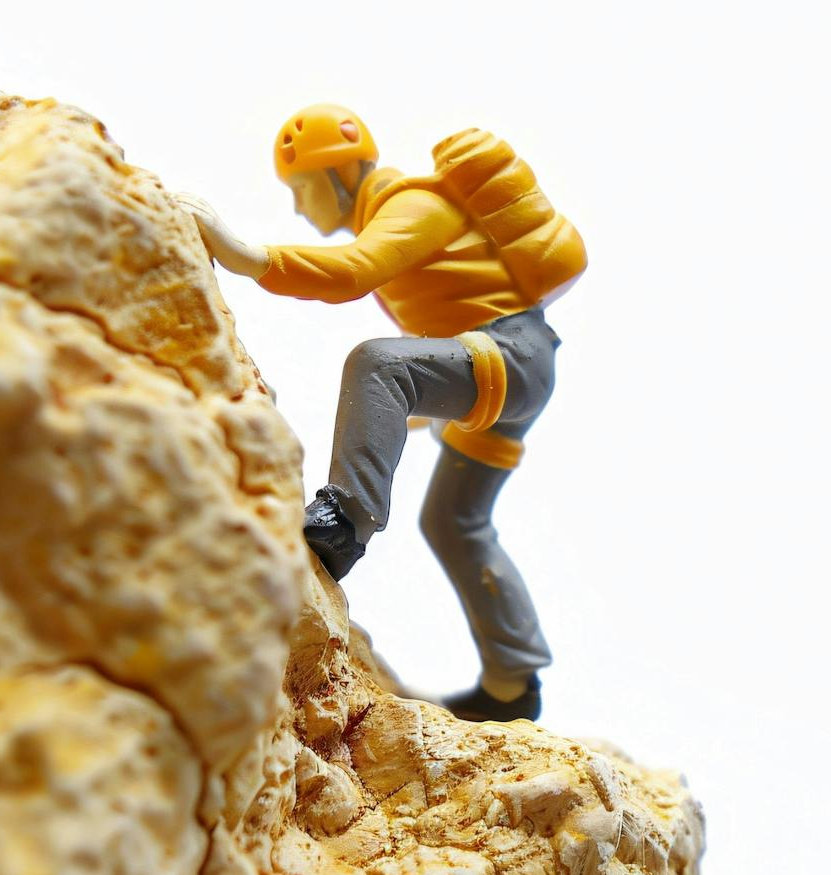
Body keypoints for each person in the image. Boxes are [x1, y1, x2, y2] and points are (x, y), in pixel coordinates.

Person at [177, 104, 586, 722]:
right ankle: (513, 683)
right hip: (513, 361)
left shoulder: (411, 202)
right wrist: (412, 411)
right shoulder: (398, 212)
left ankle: (344, 523)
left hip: (512, 353)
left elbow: (354, 273)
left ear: (336, 172)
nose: (298, 207)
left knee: (378, 364)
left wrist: (245, 254)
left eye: (301, 188)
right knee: (454, 523)